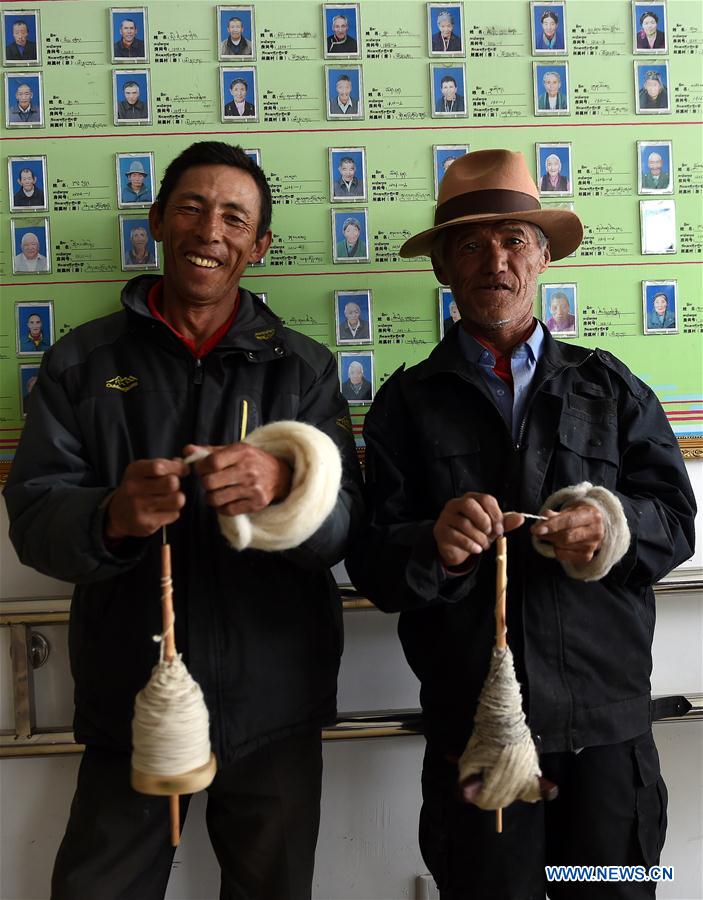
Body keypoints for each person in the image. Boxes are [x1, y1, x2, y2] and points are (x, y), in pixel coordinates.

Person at [4, 140, 363, 900]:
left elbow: (345, 528)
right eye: (192, 209)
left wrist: (284, 487)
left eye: (235, 217)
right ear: (157, 223)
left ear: (258, 246)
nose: (211, 230)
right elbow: (34, 520)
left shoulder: (302, 370)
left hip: (275, 706)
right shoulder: (79, 363)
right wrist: (111, 518)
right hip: (132, 702)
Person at [346, 148, 696, 899]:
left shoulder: (610, 385)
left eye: (511, 240)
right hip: (475, 740)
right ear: (442, 268)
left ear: (541, 257)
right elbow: (373, 563)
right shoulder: (404, 406)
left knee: (608, 890)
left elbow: (676, 519)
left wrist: (610, 528)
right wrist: (432, 546)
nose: (492, 260)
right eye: (468, 244)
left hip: (605, 738)